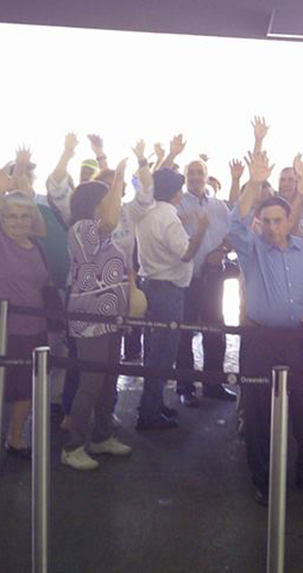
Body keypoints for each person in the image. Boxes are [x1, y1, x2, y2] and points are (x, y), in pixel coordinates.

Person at [231, 149, 303, 506]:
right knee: (259, 415)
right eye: (266, 221)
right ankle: (264, 479)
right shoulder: (252, 249)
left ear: (290, 220)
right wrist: (254, 183)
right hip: (260, 340)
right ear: (259, 222)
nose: (272, 227)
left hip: (301, 340)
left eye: (278, 220)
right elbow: (234, 225)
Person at [62, 151, 154, 470]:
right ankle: (73, 445)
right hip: (91, 316)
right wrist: (117, 180)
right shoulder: (82, 229)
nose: (112, 203)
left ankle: (102, 436)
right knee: (91, 381)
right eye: (107, 198)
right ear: (93, 203)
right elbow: (112, 220)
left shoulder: (102, 232)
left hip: (113, 314)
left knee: (108, 377)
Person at [0, 154, 49, 462]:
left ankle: (15, 437)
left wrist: (27, 192)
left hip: (32, 328)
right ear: (2, 218)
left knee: (25, 387)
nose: (19, 221)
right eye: (13, 216)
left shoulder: (37, 244)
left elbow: (40, 226)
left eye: (24, 216)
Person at [134, 166, 199, 430]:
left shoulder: (147, 214)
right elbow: (186, 253)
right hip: (168, 292)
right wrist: (201, 231)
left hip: (149, 287)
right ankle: (149, 414)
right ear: (175, 193)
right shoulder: (169, 219)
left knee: (152, 350)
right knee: (162, 354)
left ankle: (152, 403)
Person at [176, 157, 234, 404]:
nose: (195, 177)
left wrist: (222, 250)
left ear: (206, 176)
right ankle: (185, 388)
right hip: (186, 280)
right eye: (191, 172)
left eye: (199, 172)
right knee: (184, 333)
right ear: (185, 177)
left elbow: (233, 235)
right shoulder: (177, 204)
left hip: (213, 279)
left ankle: (213, 384)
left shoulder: (219, 206)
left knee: (215, 331)